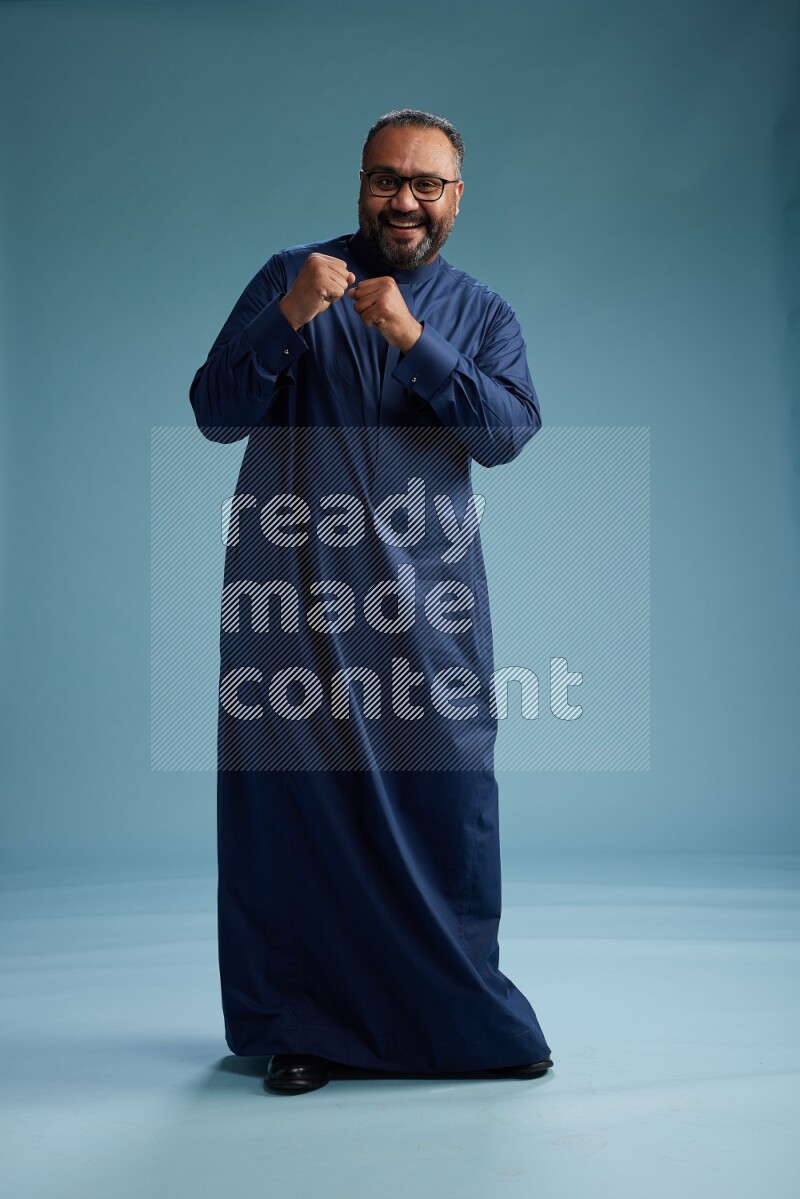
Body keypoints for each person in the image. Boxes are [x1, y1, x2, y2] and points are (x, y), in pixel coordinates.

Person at [189, 109, 553, 1096]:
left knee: (448, 804)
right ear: (360, 183)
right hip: (291, 604)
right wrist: (288, 316)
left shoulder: (480, 312)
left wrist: (411, 338)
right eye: (387, 179)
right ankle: (303, 1024)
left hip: (425, 610)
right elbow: (214, 411)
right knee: (298, 817)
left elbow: (507, 433)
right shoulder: (290, 275)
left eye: (426, 184)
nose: (405, 200)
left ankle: (465, 1009)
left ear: (454, 199)